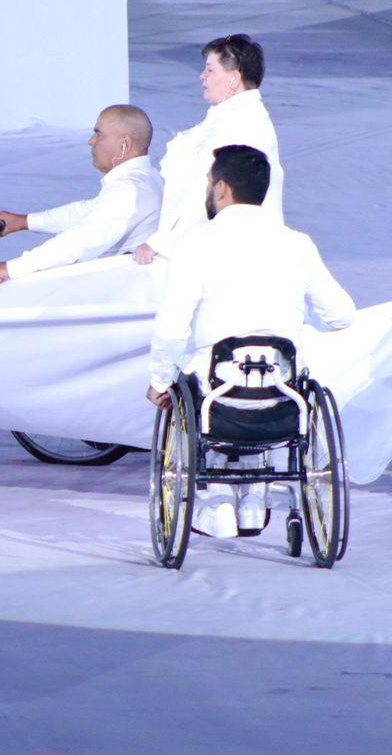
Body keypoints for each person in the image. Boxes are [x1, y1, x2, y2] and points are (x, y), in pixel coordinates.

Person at [147, 145, 354, 538]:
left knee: (199, 378)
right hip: (282, 388)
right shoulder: (298, 243)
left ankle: (219, 501)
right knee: (271, 375)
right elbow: (342, 314)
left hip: (218, 386)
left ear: (222, 189)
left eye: (209, 184)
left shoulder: (196, 242)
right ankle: (254, 503)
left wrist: (159, 381)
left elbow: (172, 326)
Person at [134, 34, 283, 265]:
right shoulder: (227, 117)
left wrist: (160, 242)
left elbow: (207, 190)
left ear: (234, 79)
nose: (202, 76)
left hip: (228, 257)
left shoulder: (242, 125)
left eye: (210, 70)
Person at [0, 105, 163, 284]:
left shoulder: (128, 190)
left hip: (122, 289)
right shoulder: (146, 179)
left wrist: (11, 269)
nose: (91, 141)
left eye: (98, 135)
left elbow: (80, 241)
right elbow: (87, 212)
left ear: (124, 144)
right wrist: (23, 221)